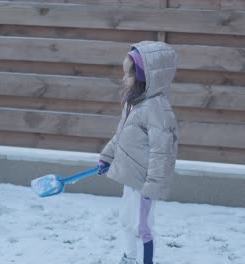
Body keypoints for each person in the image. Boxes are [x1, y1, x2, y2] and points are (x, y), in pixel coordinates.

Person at [97, 41, 178, 264]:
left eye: (128, 74)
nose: (124, 79)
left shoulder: (158, 110)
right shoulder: (133, 102)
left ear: (144, 76)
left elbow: (163, 152)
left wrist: (153, 185)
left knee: (142, 226)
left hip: (145, 182)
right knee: (126, 220)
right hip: (130, 176)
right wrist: (107, 156)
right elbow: (122, 135)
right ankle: (130, 257)